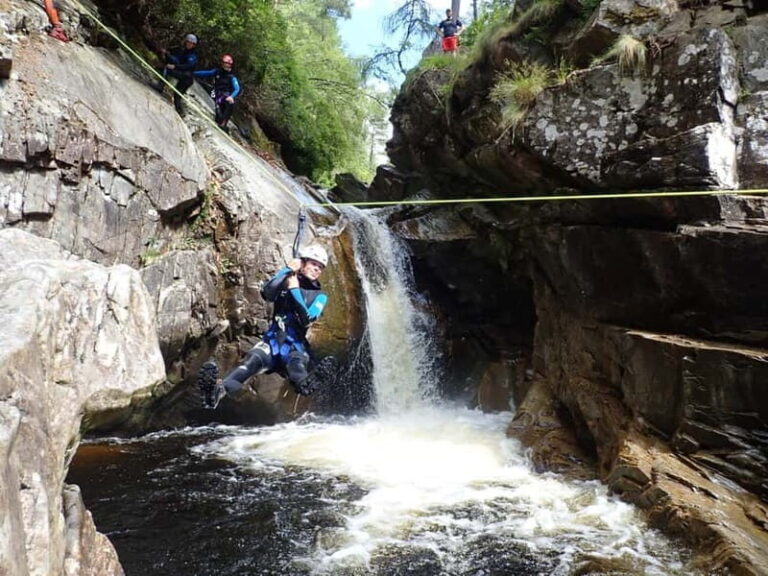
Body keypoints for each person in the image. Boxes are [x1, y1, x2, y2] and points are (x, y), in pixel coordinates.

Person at [198, 245, 331, 409]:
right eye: (313, 264)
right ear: (302, 263)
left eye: (320, 267)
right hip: (272, 342)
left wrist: (295, 289)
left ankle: (307, 384)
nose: (317, 269)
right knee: (248, 364)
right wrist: (287, 270)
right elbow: (267, 293)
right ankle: (215, 393)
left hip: (295, 347)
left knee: (297, 370)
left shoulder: (320, 296)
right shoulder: (285, 281)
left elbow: (306, 320)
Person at [153, 33, 199, 114]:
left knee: (177, 96)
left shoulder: (193, 56)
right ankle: (160, 87)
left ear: (194, 45)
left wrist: (175, 67)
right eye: (188, 42)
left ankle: (180, 112)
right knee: (165, 68)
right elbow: (176, 60)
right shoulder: (184, 51)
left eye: (191, 43)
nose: (188, 44)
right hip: (182, 76)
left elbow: (187, 66)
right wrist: (167, 54)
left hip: (187, 79)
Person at [194, 54, 241, 130]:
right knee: (218, 118)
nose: (225, 65)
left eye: (227, 64)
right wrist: (193, 73)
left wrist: (231, 96)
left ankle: (224, 124)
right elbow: (206, 73)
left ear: (230, 65)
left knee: (230, 103)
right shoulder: (217, 72)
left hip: (225, 97)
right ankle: (221, 119)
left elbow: (237, 89)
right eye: (224, 63)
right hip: (216, 95)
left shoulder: (232, 77)